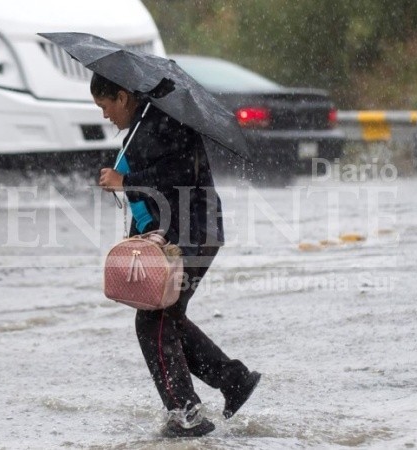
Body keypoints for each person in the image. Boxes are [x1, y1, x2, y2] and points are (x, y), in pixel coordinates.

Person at [92, 73, 261, 438]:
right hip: (184, 234)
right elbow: (155, 179)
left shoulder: (162, 122)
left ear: (122, 97)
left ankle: (186, 414)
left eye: (105, 106)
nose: (105, 115)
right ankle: (233, 379)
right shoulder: (143, 126)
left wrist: (127, 181)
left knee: (154, 322)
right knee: (168, 319)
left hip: (192, 235)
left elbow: (177, 174)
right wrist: (120, 177)